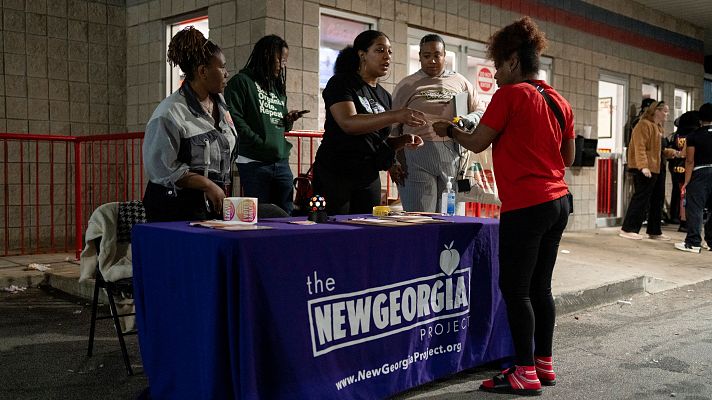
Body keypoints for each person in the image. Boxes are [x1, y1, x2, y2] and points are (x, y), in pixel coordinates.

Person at [433, 17, 574, 396]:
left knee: (515, 288)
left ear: (512, 60)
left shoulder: (511, 95)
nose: (495, 74)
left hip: (527, 205)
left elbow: (477, 142)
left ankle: (523, 373)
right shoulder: (558, 99)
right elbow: (569, 155)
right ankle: (543, 365)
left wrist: (450, 130)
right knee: (540, 287)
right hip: (559, 202)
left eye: (497, 65)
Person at [313, 30, 426, 215]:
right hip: (336, 173)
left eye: (389, 52)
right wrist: (396, 115)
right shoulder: (341, 83)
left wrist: (401, 141)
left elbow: (375, 140)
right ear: (362, 54)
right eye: (380, 50)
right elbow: (348, 123)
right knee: (334, 232)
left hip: (368, 177)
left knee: (365, 231)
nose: (387, 56)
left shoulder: (384, 96)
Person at [142, 27, 237, 222]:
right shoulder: (169, 113)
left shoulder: (222, 107)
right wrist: (207, 184)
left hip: (209, 206)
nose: (227, 73)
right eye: (222, 67)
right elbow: (162, 169)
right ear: (203, 71)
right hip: (174, 210)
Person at [389, 34, 484, 212]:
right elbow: (392, 126)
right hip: (415, 157)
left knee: (451, 218)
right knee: (419, 218)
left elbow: (480, 110)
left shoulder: (460, 81)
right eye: (426, 56)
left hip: (454, 156)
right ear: (419, 57)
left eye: (437, 55)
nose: (432, 61)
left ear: (444, 55)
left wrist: (468, 120)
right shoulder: (407, 85)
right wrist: (392, 161)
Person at [224, 35, 303, 215]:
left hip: (280, 161)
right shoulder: (241, 82)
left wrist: (288, 120)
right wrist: (259, 142)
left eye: (285, 61)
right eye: (280, 59)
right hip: (254, 162)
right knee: (261, 217)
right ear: (267, 56)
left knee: (286, 215)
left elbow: (279, 124)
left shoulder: (276, 87)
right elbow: (234, 119)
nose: (283, 65)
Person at [619, 101, 677, 240]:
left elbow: (658, 150)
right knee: (641, 198)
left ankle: (654, 231)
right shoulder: (643, 124)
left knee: (658, 199)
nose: (667, 114)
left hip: (658, 168)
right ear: (656, 111)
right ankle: (628, 228)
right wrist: (643, 166)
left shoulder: (658, 127)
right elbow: (640, 147)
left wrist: (673, 152)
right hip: (645, 168)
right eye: (665, 111)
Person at [675, 103, 712, 253]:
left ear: (700, 119)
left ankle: (693, 242)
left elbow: (689, 160)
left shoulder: (694, 136)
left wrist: (687, 181)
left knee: (695, 208)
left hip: (700, 173)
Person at [667, 111, 700, 231]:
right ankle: (686, 221)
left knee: (680, 194)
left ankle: (679, 218)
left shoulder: (676, 135)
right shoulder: (694, 134)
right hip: (690, 167)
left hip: (677, 167)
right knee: (690, 196)